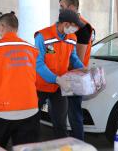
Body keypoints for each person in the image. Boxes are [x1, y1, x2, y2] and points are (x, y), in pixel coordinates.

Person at [0, 13, 40, 148]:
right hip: (30, 109)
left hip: (1, 111)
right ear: (16, 28)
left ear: (1, 27)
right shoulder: (32, 49)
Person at [35, 9, 84, 139]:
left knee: (60, 123)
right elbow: (38, 64)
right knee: (32, 122)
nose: (75, 30)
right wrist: (56, 79)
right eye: (74, 26)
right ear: (66, 24)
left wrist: (84, 70)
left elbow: (73, 57)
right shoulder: (42, 36)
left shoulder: (72, 38)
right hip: (40, 86)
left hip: (60, 87)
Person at [59, 0, 95, 140]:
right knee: (64, 114)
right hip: (65, 76)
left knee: (74, 115)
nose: (60, 10)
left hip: (74, 78)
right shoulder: (69, 25)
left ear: (72, 7)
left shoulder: (82, 28)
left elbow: (77, 59)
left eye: (62, 7)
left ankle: (79, 144)